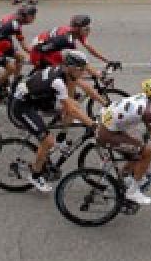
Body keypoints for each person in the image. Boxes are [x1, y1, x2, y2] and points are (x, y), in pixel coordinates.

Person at [9, 51, 97, 191]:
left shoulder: (66, 72)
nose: (83, 73)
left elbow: (85, 89)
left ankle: (61, 139)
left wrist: (106, 105)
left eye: (84, 69)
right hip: (22, 106)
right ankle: (35, 176)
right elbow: (71, 110)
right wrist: (92, 124)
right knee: (48, 140)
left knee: (74, 105)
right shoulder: (58, 81)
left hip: (37, 98)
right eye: (81, 69)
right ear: (71, 67)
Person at [0, 4, 38, 102]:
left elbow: (24, 46)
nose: (34, 18)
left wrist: (36, 52)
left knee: (20, 58)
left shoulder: (16, 21)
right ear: (24, 16)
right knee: (11, 68)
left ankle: (14, 84)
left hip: (0, 41)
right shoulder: (13, 25)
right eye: (32, 15)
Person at [29, 14, 112, 72]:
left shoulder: (76, 33)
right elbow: (40, 49)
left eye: (89, 28)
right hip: (39, 51)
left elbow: (90, 48)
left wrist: (107, 61)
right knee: (70, 72)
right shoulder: (66, 39)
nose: (89, 31)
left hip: (47, 46)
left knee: (73, 69)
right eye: (86, 29)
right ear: (77, 29)